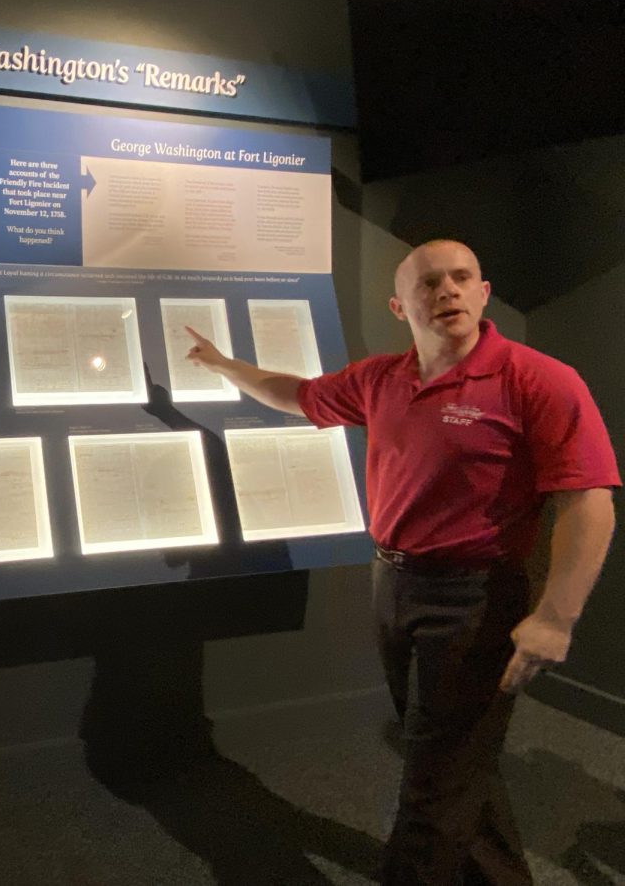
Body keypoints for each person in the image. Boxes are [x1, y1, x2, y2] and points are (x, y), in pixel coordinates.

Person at [184, 239, 618, 885]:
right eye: (429, 282)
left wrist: (556, 616)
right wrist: (225, 366)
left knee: (429, 787)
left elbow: (589, 501)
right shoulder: (379, 379)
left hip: (476, 599)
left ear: (482, 292)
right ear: (399, 305)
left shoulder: (539, 380)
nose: (446, 291)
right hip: (392, 583)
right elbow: (297, 394)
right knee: (455, 762)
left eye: (461, 278)